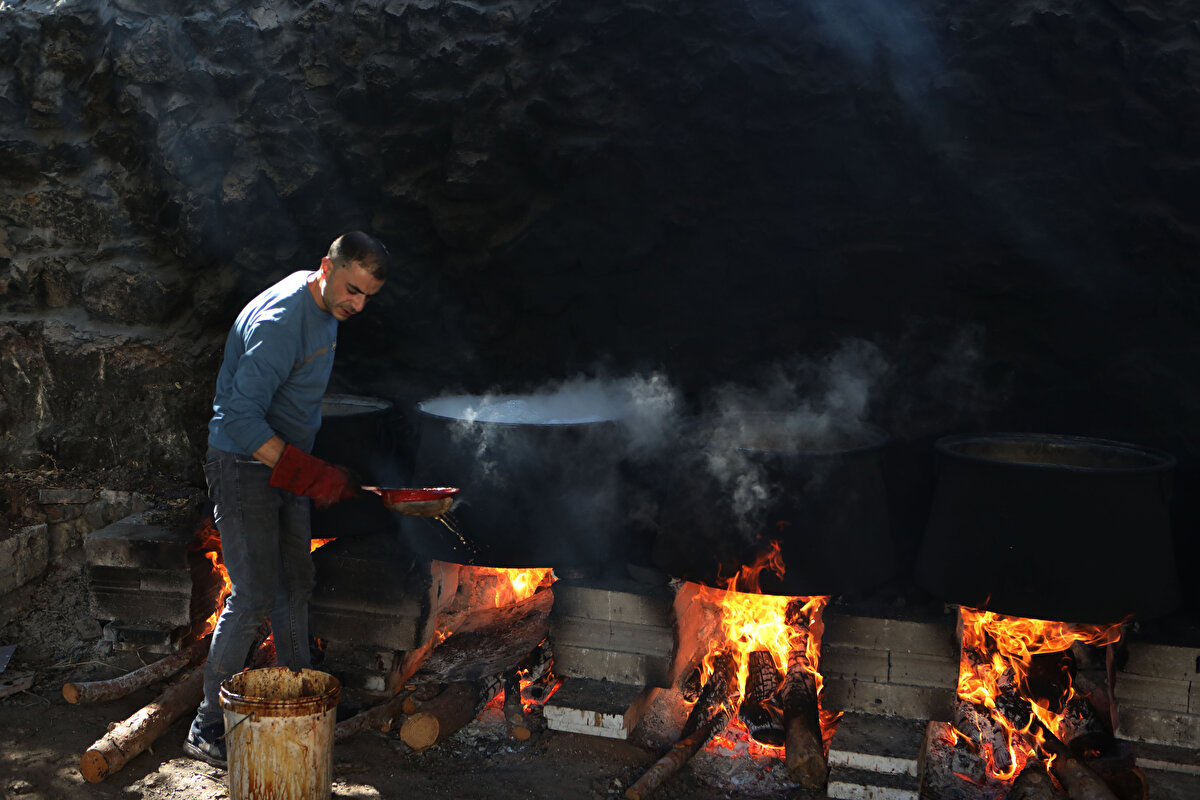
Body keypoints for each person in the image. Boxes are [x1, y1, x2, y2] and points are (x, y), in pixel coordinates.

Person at [183, 231, 389, 767]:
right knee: (251, 596)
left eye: (367, 296)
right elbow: (236, 417)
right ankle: (207, 723)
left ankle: (302, 700)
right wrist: (305, 470)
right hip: (243, 464)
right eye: (351, 290)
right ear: (326, 266)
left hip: (283, 465)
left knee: (294, 584)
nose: (357, 305)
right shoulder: (281, 322)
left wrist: (303, 470)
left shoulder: (324, 304)